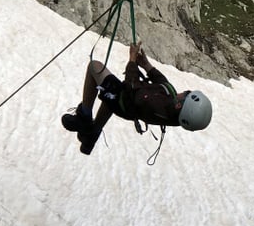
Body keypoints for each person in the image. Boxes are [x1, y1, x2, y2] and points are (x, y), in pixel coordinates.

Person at [62, 42, 212, 154]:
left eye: (186, 94)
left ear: (180, 105)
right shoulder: (172, 111)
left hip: (124, 101)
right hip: (128, 102)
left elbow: (131, 86)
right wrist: (147, 66)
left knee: (95, 67)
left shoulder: (155, 106)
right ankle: (91, 136)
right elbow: (166, 86)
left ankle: (84, 117)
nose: (184, 92)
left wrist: (132, 60)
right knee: (110, 97)